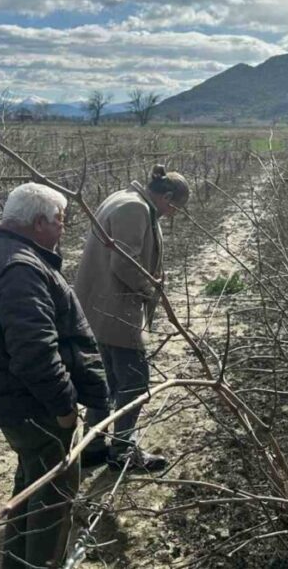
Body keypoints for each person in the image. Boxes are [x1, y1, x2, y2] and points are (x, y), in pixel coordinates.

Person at [0, 182, 109, 569]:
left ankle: (16, 563)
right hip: (32, 404)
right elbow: (35, 352)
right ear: (39, 222)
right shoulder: (21, 269)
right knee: (54, 497)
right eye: (60, 220)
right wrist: (63, 408)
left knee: (30, 481)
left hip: (7, 397)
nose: (63, 228)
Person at [75, 164, 189, 472]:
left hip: (98, 309)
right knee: (135, 384)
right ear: (166, 196)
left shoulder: (123, 197)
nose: (173, 214)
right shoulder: (135, 208)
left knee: (108, 383)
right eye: (174, 208)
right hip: (116, 312)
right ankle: (122, 452)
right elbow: (124, 264)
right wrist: (151, 286)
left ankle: (94, 447)